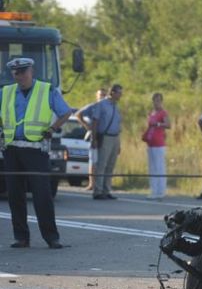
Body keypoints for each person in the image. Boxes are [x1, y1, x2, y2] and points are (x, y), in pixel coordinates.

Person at [0, 57, 74, 248]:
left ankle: (51, 237)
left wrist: (52, 129)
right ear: (12, 74)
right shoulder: (5, 92)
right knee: (15, 196)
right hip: (11, 150)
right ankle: (21, 237)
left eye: (24, 71)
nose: (21, 75)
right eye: (17, 72)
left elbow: (65, 112)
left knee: (42, 196)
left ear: (31, 71)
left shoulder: (46, 89)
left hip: (35, 150)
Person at [78, 83, 124, 200]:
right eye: (119, 92)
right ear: (112, 92)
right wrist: (94, 138)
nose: (121, 95)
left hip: (115, 137)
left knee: (110, 164)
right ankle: (98, 190)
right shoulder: (101, 105)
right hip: (105, 137)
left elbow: (118, 125)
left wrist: (119, 143)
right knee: (102, 164)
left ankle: (106, 189)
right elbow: (95, 122)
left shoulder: (116, 106)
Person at [144, 92, 171, 200]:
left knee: (159, 167)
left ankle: (160, 191)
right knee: (152, 168)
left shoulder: (163, 113)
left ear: (161, 101)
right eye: (155, 100)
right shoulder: (152, 113)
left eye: (159, 100)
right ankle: (154, 189)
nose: (157, 103)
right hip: (151, 143)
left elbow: (168, 125)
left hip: (159, 143)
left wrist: (158, 124)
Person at [84, 87, 107, 191]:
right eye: (100, 95)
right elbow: (78, 114)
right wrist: (87, 126)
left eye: (104, 95)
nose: (102, 97)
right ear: (96, 96)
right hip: (94, 136)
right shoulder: (93, 107)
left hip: (104, 136)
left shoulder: (107, 107)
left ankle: (100, 184)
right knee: (93, 161)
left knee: (102, 161)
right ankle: (91, 183)